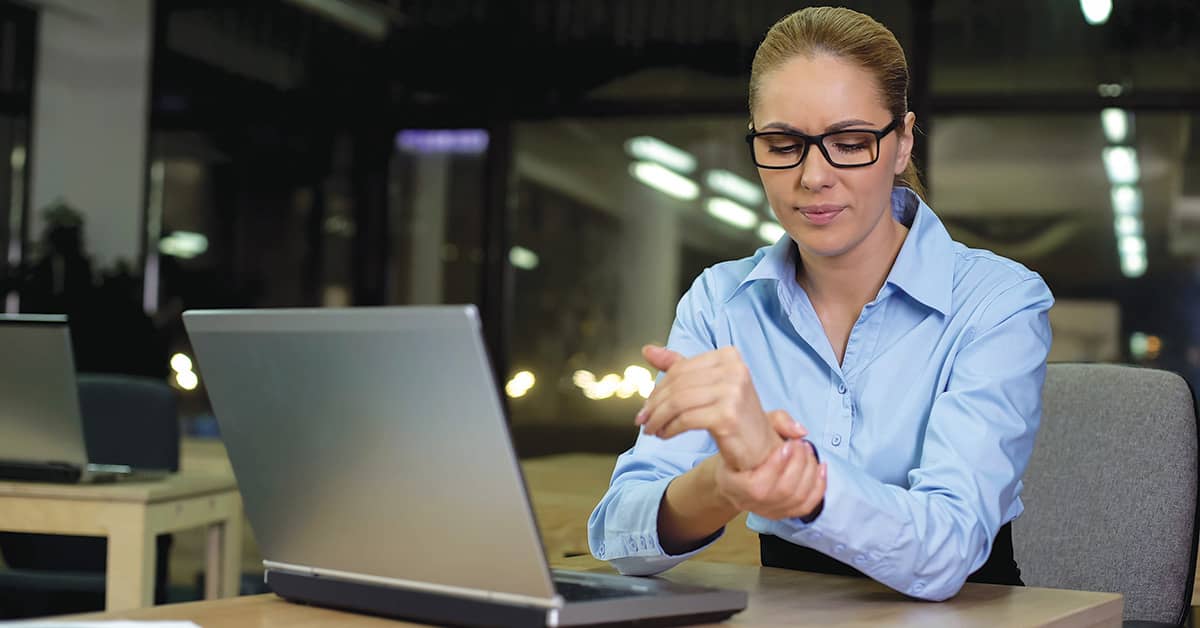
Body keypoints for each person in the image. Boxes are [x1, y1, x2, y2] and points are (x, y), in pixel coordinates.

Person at [587, 6, 1054, 602]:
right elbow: (619, 534)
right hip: (789, 614)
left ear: (903, 141)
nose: (813, 176)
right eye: (782, 143)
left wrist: (795, 483)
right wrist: (726, 483)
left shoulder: (998, 302)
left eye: (850, 142)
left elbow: (950, 547)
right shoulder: (721, 302)